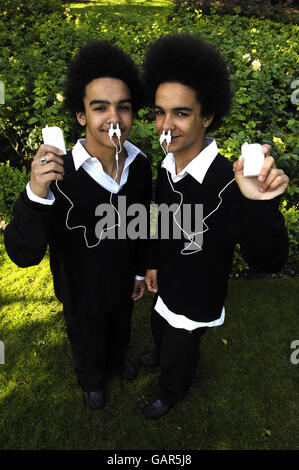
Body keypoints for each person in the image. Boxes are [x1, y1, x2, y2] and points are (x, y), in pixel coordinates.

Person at [140, 33, 289, 419]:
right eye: (159, 112)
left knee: (182, 349)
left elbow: (269, 261)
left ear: (208, 116)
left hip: (198, 295)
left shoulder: (231, 182)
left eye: (181, 113)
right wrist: (153, 263)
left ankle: (172, 392)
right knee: (159, 326)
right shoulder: (165, 165)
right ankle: (160, 353)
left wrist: (262, 205)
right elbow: (161, 219)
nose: (165, 126)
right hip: (166, 281)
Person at [4, 41, 152, 410]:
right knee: (86, 338)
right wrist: (36, 192)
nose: (113, 118)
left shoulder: (141, 166)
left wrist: (137, 272)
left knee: (120, 328)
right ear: (81, 115)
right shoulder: (57, 174)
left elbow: (141, 224)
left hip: (121, 281)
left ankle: (117, 362)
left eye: (123, 107)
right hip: (79, 288)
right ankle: (90, 381)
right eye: (99, 107)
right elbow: (23, 254)